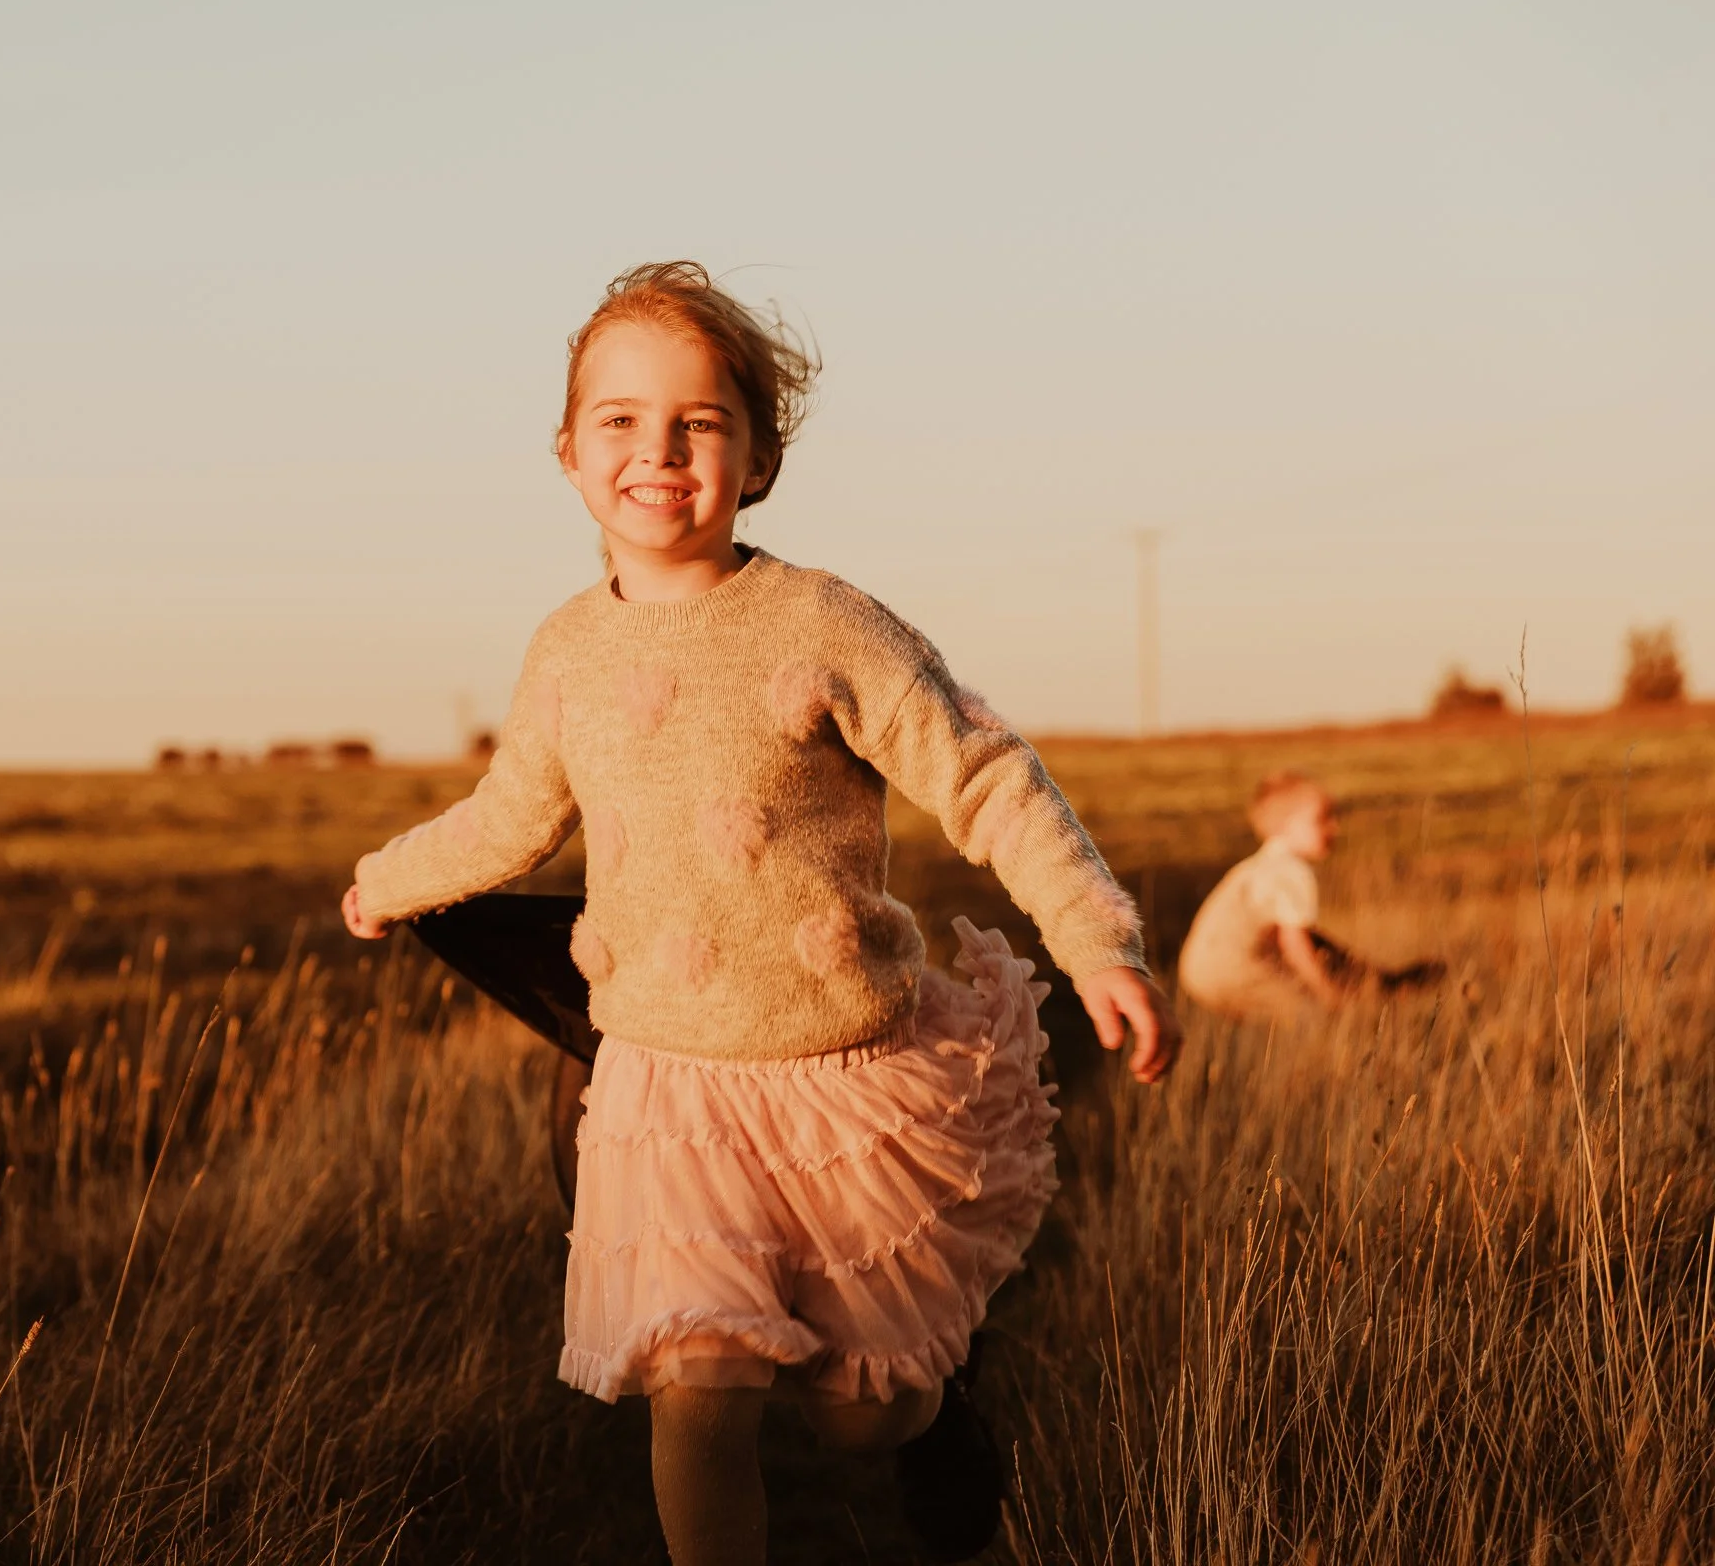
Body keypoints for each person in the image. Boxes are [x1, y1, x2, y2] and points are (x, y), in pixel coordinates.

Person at [339, 262, 1176, 1566]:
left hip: (841, 1078)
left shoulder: (825, 622)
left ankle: (933, 1418)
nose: (656, 451)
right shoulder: (566, 649)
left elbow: (986, 775)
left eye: (697, 422)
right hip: (667, 1092)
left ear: (760, 456)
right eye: (618, 420)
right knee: (701, 1388)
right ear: (567, 454)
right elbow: (512, 818)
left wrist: (1096, 940)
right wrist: (387, 879)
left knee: (864, 1415)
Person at [1176, 770, 1442, 1021]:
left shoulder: (1257, 866)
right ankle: (1375, 995)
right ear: (1285, 826)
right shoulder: (1292, 871)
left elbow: (1307, 941)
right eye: (1322, 819)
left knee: (1302, 980)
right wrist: (1329, 996)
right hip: (1235, 968)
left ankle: (1380, 983)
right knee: (1311, 1016)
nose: (1334, 828)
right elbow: (1296, 947)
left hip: (1195, 971)